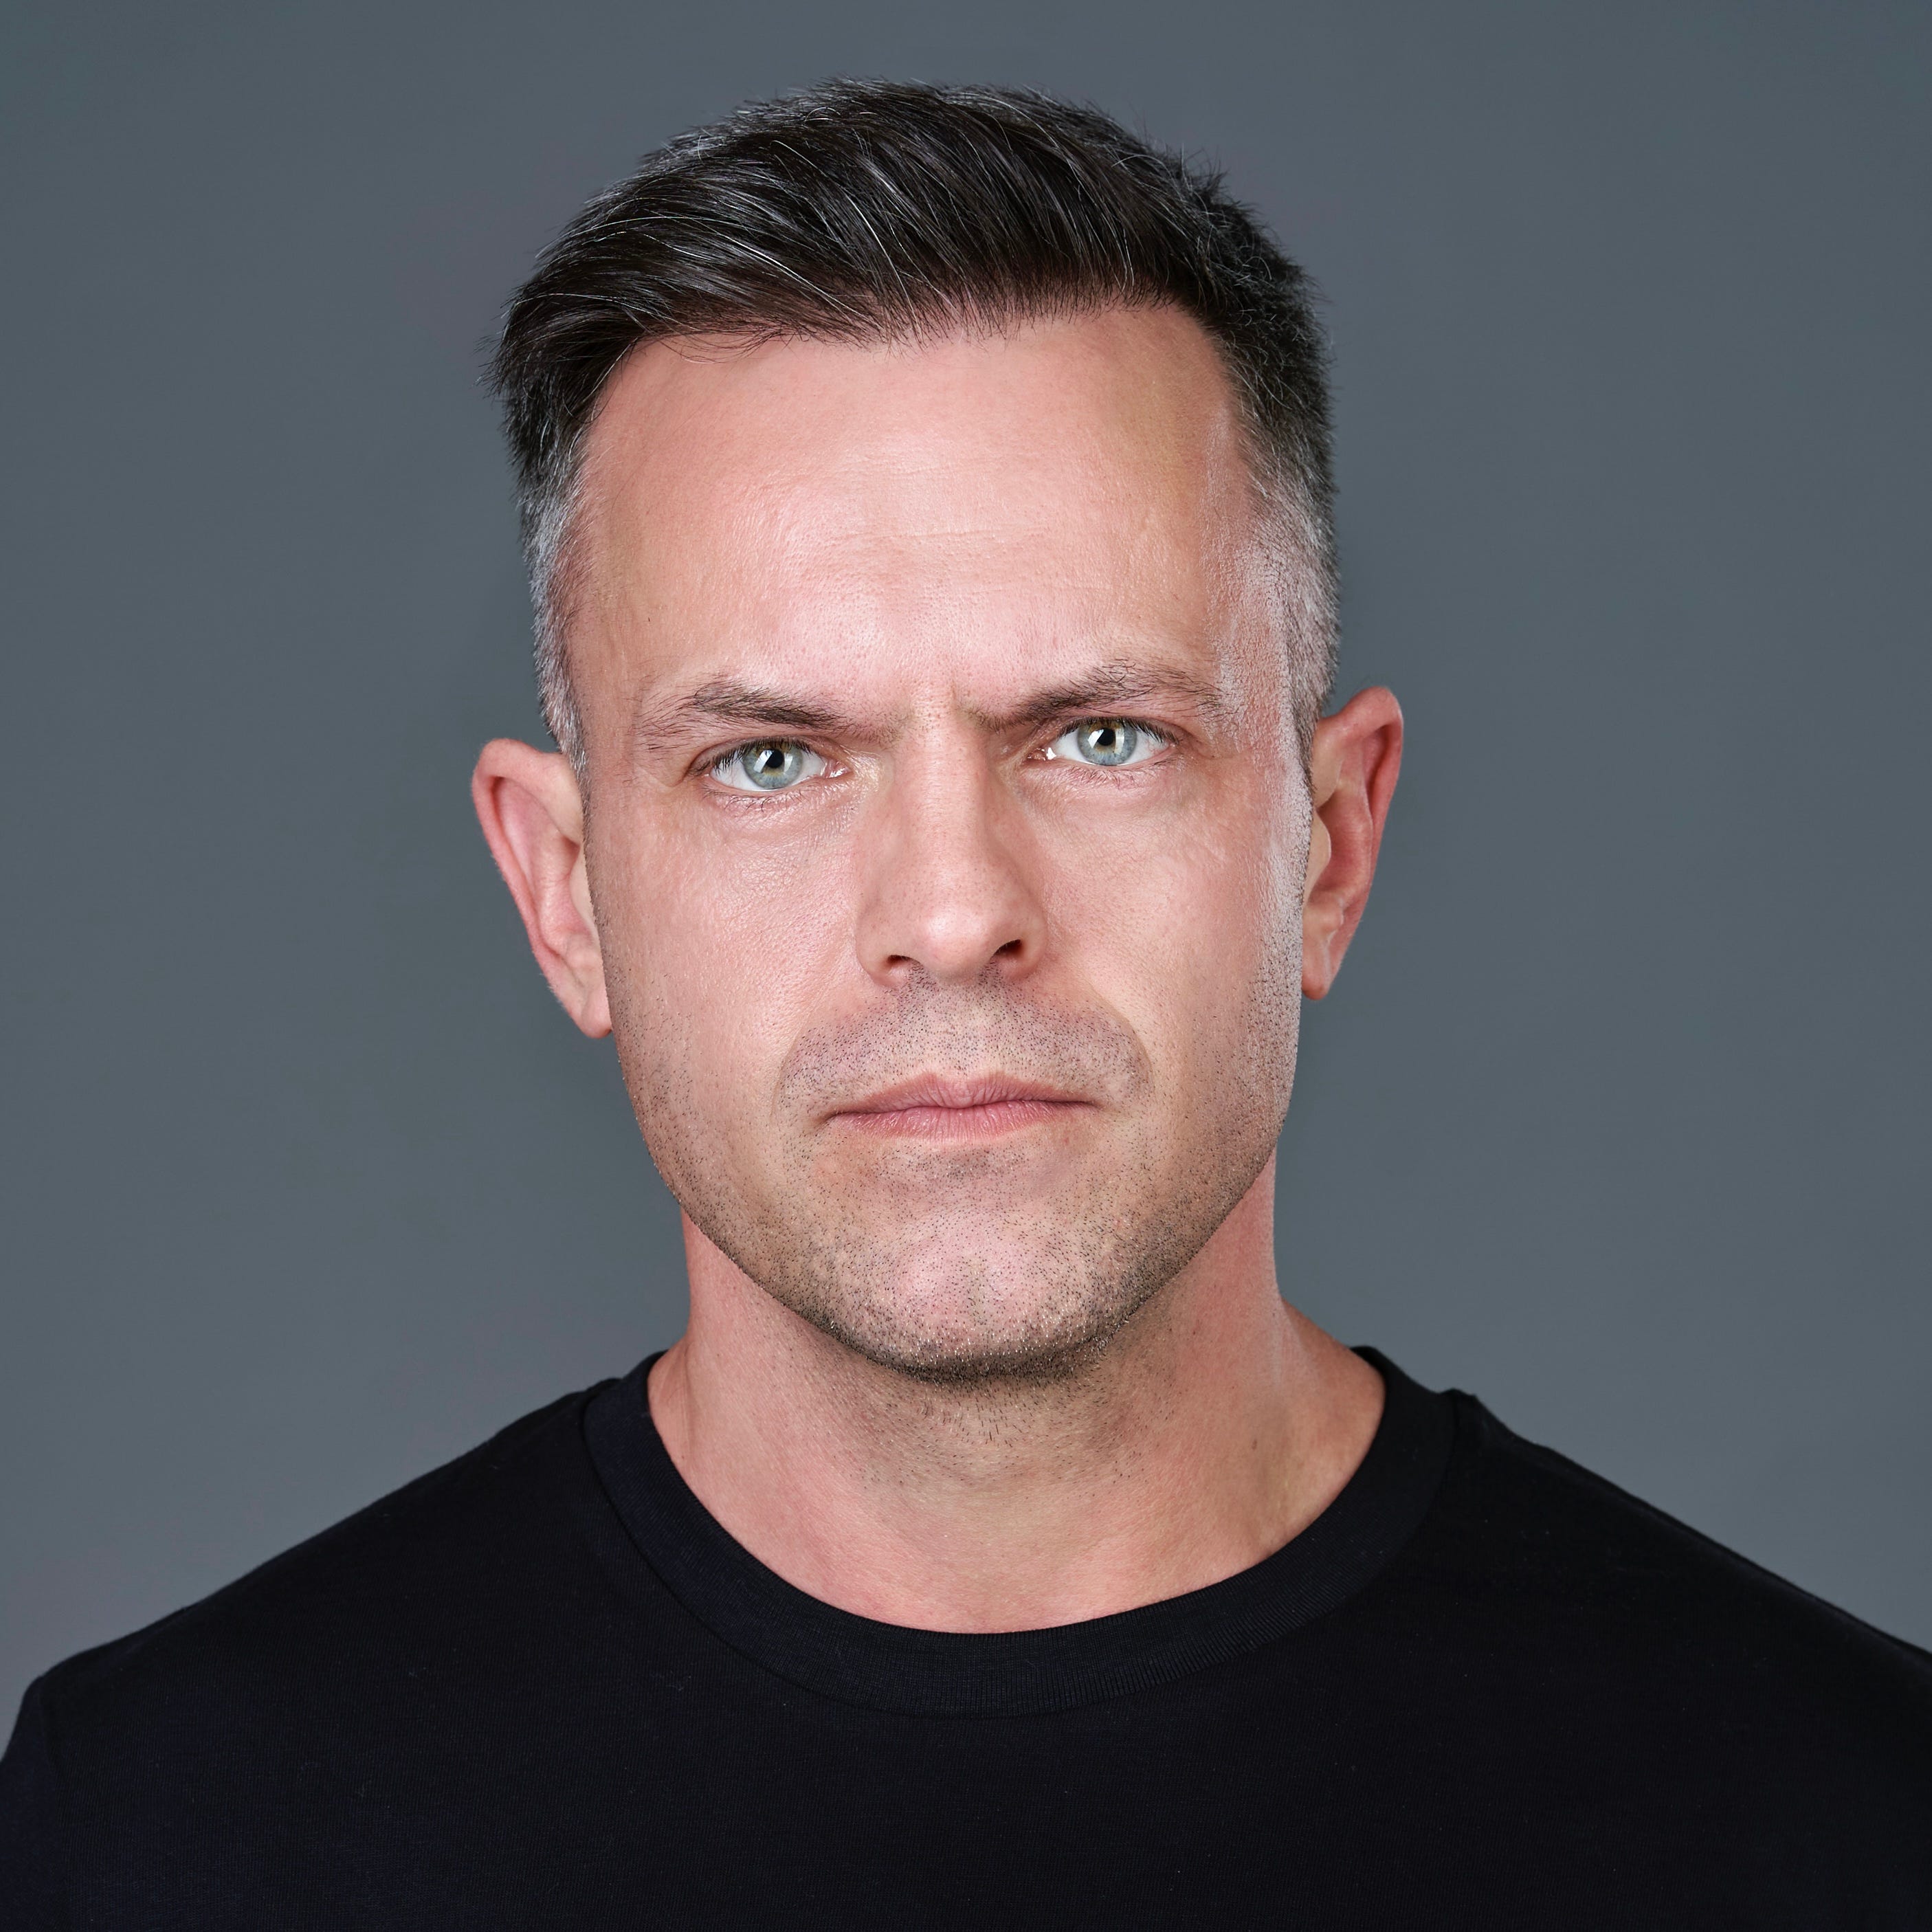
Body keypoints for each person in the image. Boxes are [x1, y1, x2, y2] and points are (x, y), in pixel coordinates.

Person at [2, 78, 1927, 1929]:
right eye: (770, 760)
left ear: (1328, 845)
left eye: (1101, 737)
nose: (950, 913)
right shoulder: (160, 1831)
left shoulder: (1851, 1819)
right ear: (563, 891)